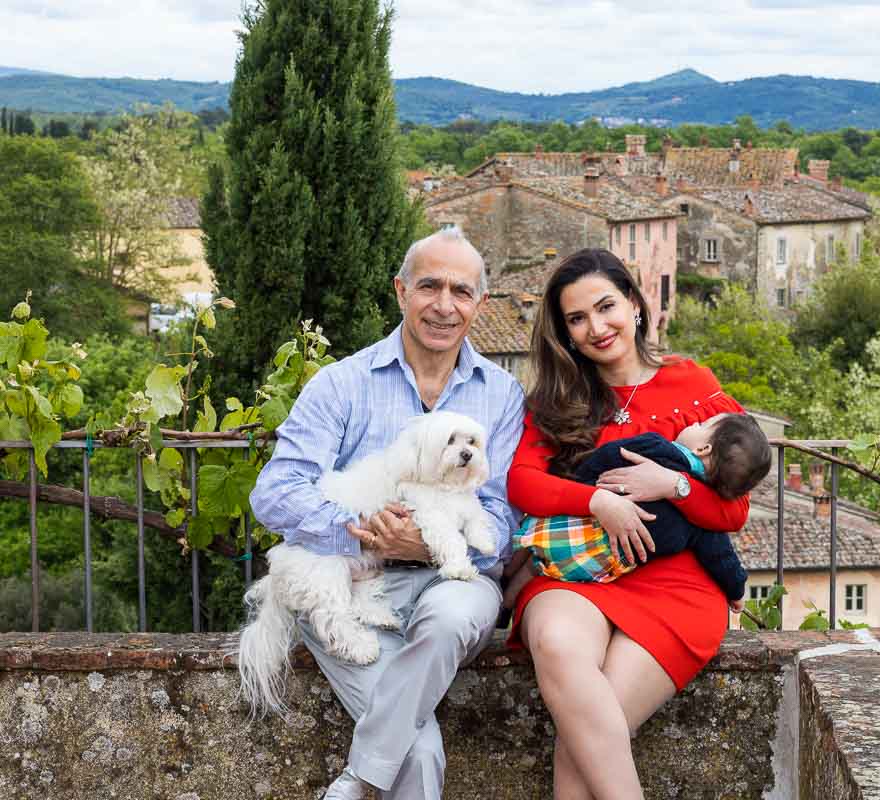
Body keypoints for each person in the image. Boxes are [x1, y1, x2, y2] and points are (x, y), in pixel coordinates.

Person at [249, 227, 524, 800]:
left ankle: (358, 777)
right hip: (346, 589)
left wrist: (424, 545)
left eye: (461, 291)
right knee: (418, 752)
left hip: (450, 581)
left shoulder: (501, 394)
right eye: (429, 286)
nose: (444, 305)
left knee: (452, 617)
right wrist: (362, 536)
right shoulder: (341, 384)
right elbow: (274, 491)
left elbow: (500, 518)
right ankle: (369, 773)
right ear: (401, 292)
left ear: (480, 304)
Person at [506, 248, 751, 799]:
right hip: (579, 574)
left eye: (606, 307)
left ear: (635, 306)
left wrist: (675, 486)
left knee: (583, 741)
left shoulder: (694, 386)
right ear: (565, 333)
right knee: (555, 641)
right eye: (576, 319)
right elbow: (521, 483)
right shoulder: (557, 399)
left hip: (676, 585)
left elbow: (735, 509)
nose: (596, 327)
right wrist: (599, 503)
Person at [504, 412, 772, 607]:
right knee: (535, 569)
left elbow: (606, 457)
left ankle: (499, 595)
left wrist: (581, 483)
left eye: (701, 424)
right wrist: (736, 591)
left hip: (572, 523)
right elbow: (721, 556)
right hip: (592, 564)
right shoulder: (699, 519)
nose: (694, 422)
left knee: (525, 544)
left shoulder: (656, 448)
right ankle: (507, 602)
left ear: (703, 448)